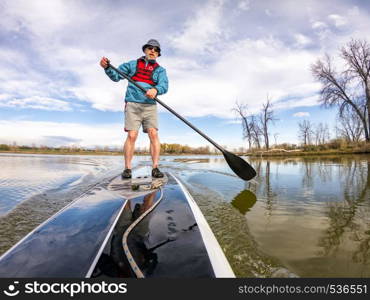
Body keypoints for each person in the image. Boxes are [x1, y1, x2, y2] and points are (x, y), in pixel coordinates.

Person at [100, 39, 168, 179]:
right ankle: (128, 169)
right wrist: (107, 68)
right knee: (132, 135)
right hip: (132, 104)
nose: (152, 51)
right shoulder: (132, 64)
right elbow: (116, 76)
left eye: (156, 50)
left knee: (153, 134)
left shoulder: (161, 70)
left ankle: (155, 168)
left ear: (158, 54)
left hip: (150, 106)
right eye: (150, 48)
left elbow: (164, 86)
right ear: (145, 50)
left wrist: (156, 90)